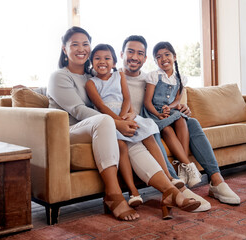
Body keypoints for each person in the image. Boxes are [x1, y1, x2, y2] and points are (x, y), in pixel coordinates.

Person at [47, 27, 200, 221]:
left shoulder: (90, 76)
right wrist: (117, 123)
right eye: (74, 44)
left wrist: (125, 120)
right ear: (64, 49)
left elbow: (111, 90)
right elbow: (78, 110)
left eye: (85, 44)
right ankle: (113, 195)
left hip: (100, 129)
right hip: (70, 131)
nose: (81, 48)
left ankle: (170, 191)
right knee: (105, 122)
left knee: (132, 139)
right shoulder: (58, 76)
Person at [120, 35, 241, 209]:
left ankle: (216, 181)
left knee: (191, 122)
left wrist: (181, 107)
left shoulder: (150, 77)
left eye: (140, 53)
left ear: (145, 58)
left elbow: (166, 99)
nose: (134, 57)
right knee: (151, 130)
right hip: (145, 126)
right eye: (130, 52)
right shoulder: (115, 78)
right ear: (122, 53)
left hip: (161, 118)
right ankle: (179, 188)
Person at [85, 44, 184, 207]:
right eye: (97, 58)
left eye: (107, 58)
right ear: (91, 62)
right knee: (122, 147)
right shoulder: (91, 83)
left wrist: (124, 116)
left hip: (125, 115)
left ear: (114, 62)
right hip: (108, 120)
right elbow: (101, 106)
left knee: (149, 135)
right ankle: (133, 191)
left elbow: (127, 99)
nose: (102, 61)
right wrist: (118, 121)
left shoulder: (120, 76)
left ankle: (169, 177)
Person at [142, 41, 202, 188]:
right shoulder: (154, 76)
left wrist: (169, 107)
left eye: (167, 55)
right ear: (155, 61)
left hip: (169, 110)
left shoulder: (180, 78)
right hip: (153, 113)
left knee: (181, 118)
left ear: (174, 57)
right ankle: (189, 166)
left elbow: (177, 100)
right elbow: (147, 102)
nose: (163, 59)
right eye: (158, 57)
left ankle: (183, 167)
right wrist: (158, 113)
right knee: (167, 128)